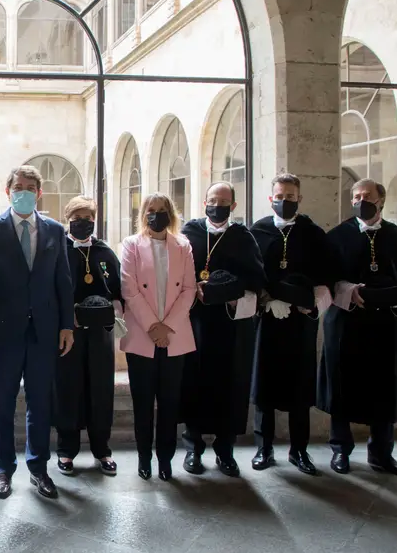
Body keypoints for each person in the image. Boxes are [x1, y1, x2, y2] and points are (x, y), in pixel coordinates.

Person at [0, 165, 74, 500]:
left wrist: (67, 325)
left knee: (40, 403)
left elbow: (63, 283)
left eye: (30, 187)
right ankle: (4, 468)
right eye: (18, 186)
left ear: (39, 193)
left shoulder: (55, 231)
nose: (24, 191)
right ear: (8, 191)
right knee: (3, 404)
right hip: (3, 333)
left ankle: (38, 468)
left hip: (44, 332)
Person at [319, 178, 397, 477]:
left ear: (381, 201)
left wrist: (390, 299)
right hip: (345, 323)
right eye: (355, 196)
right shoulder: (336, 236)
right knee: (341, 385)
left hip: (385, 324)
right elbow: (328, 282)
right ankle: (340, 450)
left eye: (367, 196)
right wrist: (351, 292)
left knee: (384, 387)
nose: (360, 200)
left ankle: (381, 453)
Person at [179, 181, 265, 477]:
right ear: (204, 202)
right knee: (195, 383)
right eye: (212, 201)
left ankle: (225, 451)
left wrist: (225, 292)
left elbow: (256, 279)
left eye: (224, 202)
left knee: (230, 385)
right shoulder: (189, 233)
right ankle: (193, 449)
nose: (217, 206)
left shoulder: (243, 236)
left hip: (231, 327)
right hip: (196, 324)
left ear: (233, 206)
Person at [249, 173, 332, 476]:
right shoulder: (257, 231)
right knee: (264, 384)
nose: (284, 201)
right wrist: (267, 299)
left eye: (290, 196)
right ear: (270, 198)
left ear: (300, 198)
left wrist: (310, 305)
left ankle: (300, 450)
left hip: (300, 321)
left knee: (300, 385)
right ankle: (264, 448)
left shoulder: (312, 233)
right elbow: (251, 274)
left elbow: (325, 277)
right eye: (279, 196)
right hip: (268, 319)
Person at [120, 193, 196, 481]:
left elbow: (189, 289)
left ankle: (165, 459)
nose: (156, 214)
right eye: (151, 210)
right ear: (143, 214)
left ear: (171, 214)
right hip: (142, 334)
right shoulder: (131, 245)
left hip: (175, 335)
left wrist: (167, 326)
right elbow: (129, 290)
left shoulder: (183, 246)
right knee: (143, 402)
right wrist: (154, 326)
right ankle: (143, 458)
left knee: (169, 401)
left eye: (162, 210)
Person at [53, 196, 122, 477]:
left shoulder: (105, 252)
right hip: (68, 334)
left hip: (100, 334)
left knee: (101, 390)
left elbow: (118, 289)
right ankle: (66, 450)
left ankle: (102, 449)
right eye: (77, 218)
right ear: (68, 219)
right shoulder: (58, 250)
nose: (83, 223)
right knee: (68, 390)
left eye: (88, 218)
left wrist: (113, 307)